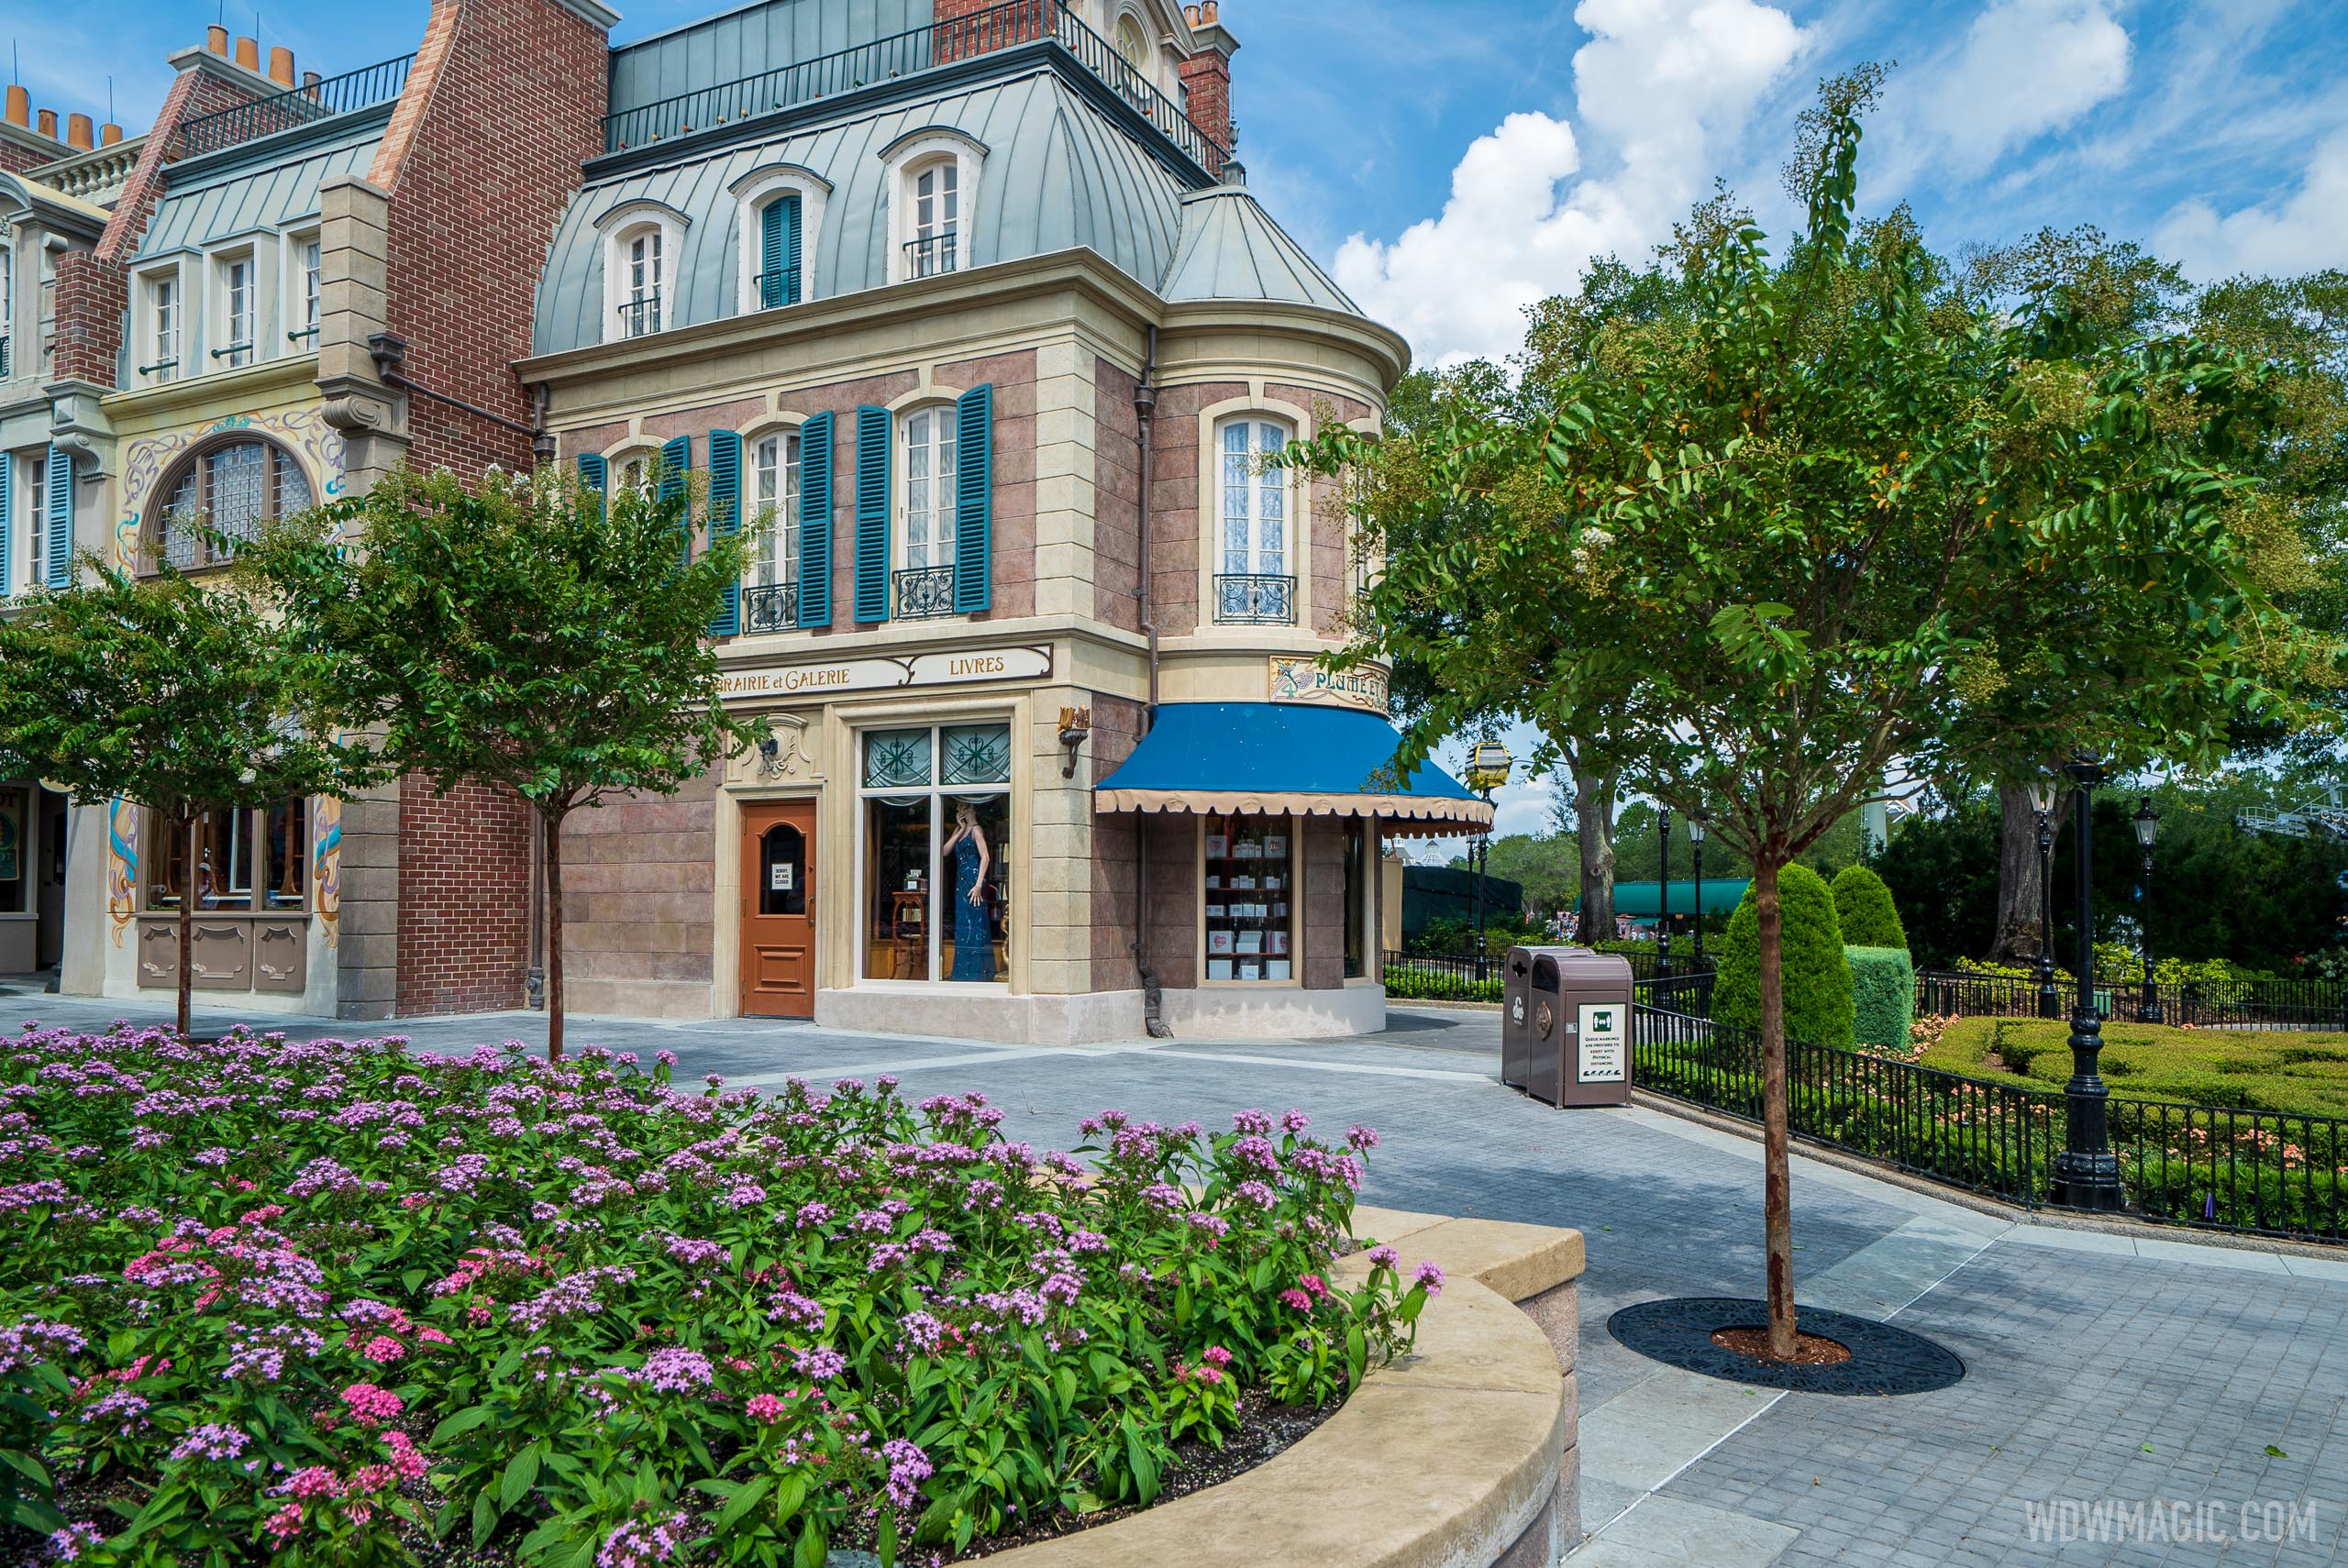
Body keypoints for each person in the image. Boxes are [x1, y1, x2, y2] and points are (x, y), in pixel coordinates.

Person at [943, 803, 995, 981]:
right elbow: (944, 851)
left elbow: (986, 857)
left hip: (973, 884)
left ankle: (976, 974)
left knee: (974, 926)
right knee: (964, 927)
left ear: (972, 810)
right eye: (958, 811)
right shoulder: (961, 830)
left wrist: (979, 884)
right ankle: (962, 972)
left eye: (964, 809)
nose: (961, 813)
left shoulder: (977, 830)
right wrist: (961, 829)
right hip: (961, 884)